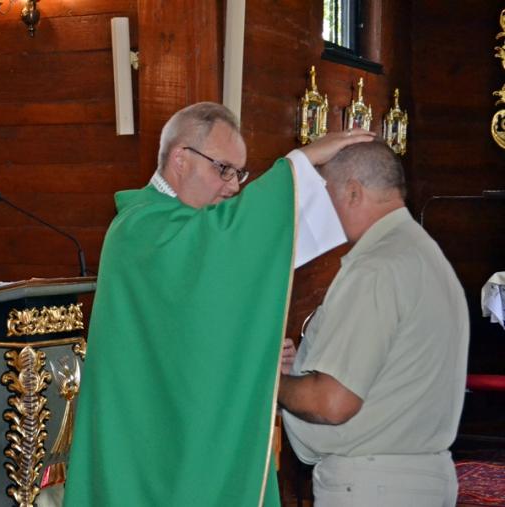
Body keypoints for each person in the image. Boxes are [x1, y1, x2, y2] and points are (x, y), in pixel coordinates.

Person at [63, 102, 373, 507]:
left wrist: (256, 349)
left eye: (239, 174)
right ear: (180, 159)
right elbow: (214, 245)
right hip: (144, 446)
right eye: (223, 169)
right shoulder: (140, 228)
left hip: (176, 436)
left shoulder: (181, 231)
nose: (233, 187)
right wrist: (299, 163)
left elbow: (191, 332)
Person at [279, 141, 469, 506]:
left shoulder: (376, 266)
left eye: (327, 195)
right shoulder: (424, 253)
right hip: (418, 477)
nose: (325, 211)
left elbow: (333, 402)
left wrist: (274, 382)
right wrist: (297, 372)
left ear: (353, 192)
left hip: (374, 484)